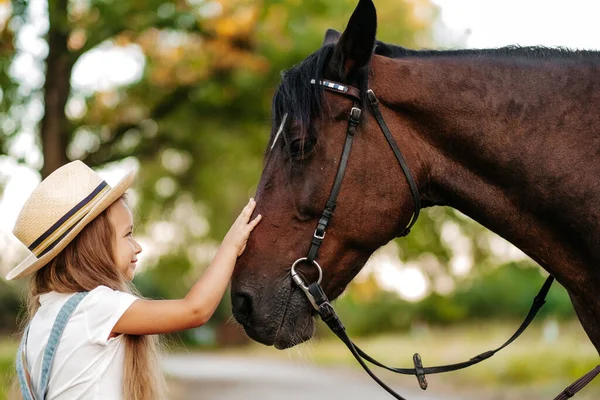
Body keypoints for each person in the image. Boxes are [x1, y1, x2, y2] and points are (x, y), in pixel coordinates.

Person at [5, 160, 262, 400]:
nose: (137, 246)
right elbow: (195, 310)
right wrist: (231, 245)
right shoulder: (95, 307)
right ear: (94, 246)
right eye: (127, 235)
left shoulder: (40, 321)